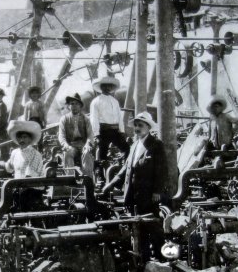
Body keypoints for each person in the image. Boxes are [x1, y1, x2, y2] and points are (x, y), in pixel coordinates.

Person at [103, 112, 167, 262]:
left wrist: (157, 191)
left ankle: (163, 259)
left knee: (154, 227)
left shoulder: (156, 145)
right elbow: (125, 169)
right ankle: (143, 261)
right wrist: (110, 185)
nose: (137, 128)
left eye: (141, 125)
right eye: (136, 125)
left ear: (148, 127)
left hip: (148, 194)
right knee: (138, 228)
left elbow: (162, 170)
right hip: (132, 194)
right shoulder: (134, 145)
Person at [0, 120, 45, 210]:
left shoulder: (35, 154)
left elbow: (29, 177)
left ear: (30, 139)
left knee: (16, 201)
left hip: (33, 191)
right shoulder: (15, 152)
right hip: (20, 189)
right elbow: (8, 167)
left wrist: (14, 190)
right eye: (19, 137)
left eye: (25, 137)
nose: (21, 140)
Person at [89, 76, 130, 177]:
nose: (107, 88)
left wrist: (122, 131)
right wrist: (96, 134)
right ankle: (101, 177)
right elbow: (94, 119)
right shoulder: (96, 101)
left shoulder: (115, 101)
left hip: (115, 131)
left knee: (127, 149)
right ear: (101, 87)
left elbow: (119, 117)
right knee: (102, 154)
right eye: (105, 86)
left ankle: (125, 171)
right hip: (103, 131)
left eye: (109, 86)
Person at [58, 93, 94, 178]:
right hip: (71, 145)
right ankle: (70, 179)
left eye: (77, 104)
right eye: (72, 104)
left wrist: (88, 144)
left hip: (83, 144)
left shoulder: (86, 119)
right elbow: (61, 135)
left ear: (80, 106)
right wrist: (66, 145)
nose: (74, 106)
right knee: (67, 153)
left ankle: (87, 179)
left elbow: (90, 134)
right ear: (69, 106)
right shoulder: (64, 119)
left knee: (87, 153)